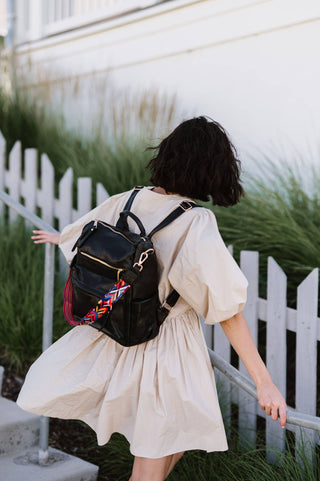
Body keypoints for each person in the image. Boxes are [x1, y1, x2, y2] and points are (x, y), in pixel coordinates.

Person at [17, 116, 287, 481]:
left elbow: (82, 240)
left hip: (114, 334)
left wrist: (58, 238)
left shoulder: (127, 199)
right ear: (212, 169)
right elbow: (226, 309)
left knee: (169, 445)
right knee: (151, 466)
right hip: (166, 351)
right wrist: (263, 381)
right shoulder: (195, 222)